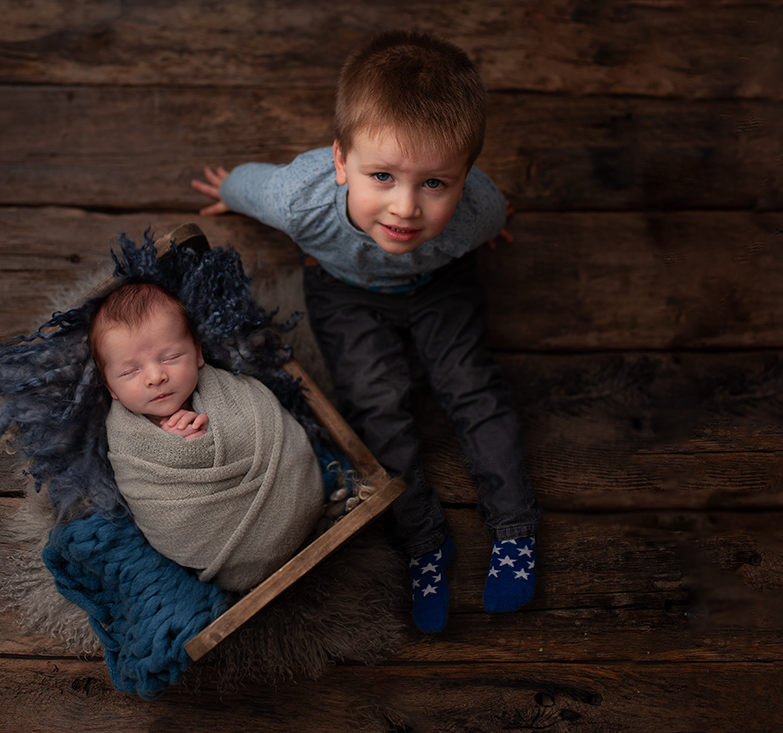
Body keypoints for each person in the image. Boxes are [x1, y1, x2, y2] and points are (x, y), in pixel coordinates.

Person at [191, 30, 540, 630]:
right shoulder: (298, 198)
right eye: (382, 176)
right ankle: (423, 540)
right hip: (346, 292)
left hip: (441, 284)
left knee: (474, 391)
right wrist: (228, 190)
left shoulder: (477, 212)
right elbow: (253, 184)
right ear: (340, 162)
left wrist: (492, 223)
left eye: (435, 184)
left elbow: (491, 208)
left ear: (464, 177)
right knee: (375, 407)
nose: (406, 208)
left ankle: (514, 529)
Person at [90, 281, 324, 593]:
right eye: (130, 372)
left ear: (198, 353)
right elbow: (153, 502)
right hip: (212, 544)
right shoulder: (126, 439)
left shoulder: (229, 390)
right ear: (110, 389)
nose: (155, 376)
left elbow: (265, 423)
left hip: (293, 497)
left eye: (171, 356)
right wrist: (181, 450)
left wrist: (211, 434)